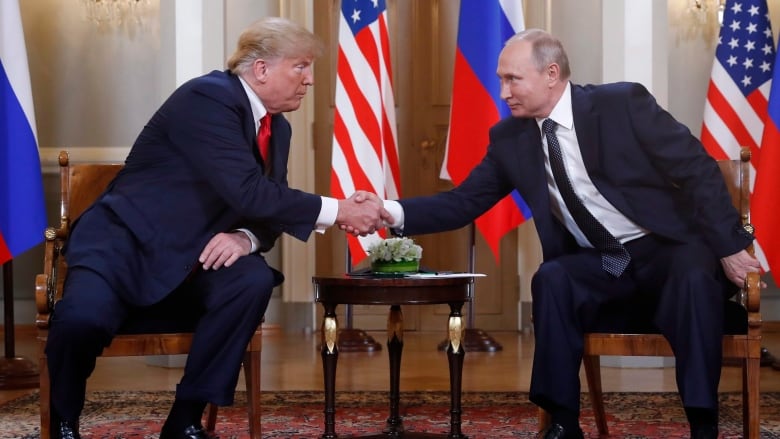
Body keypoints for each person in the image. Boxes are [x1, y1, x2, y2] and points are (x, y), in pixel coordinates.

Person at [376, 29, 761, 439]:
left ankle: (703, 424)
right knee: (553, 278)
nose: (503, 91)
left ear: (551, 73)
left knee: (692, 274)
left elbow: (697, 170)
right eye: (501, 79)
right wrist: (388, 211)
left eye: (512, 79)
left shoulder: (621, 105)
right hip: (603, 264)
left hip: (665, 248)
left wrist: (729, 246)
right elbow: (462, 202)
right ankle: (563, 422)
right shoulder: (510, 138)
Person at [46, 17, 389, 439]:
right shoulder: (208, 98)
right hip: (124, 248)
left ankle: (184, 421)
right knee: (81, 321)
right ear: (261, 69)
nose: (310, 80)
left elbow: (267, 203)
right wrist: (339, 210)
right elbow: (248, 191)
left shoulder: (276, 127)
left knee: (251, 279)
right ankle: (63, 423)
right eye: (300, 67)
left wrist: (245, 238)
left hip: (191, 261)